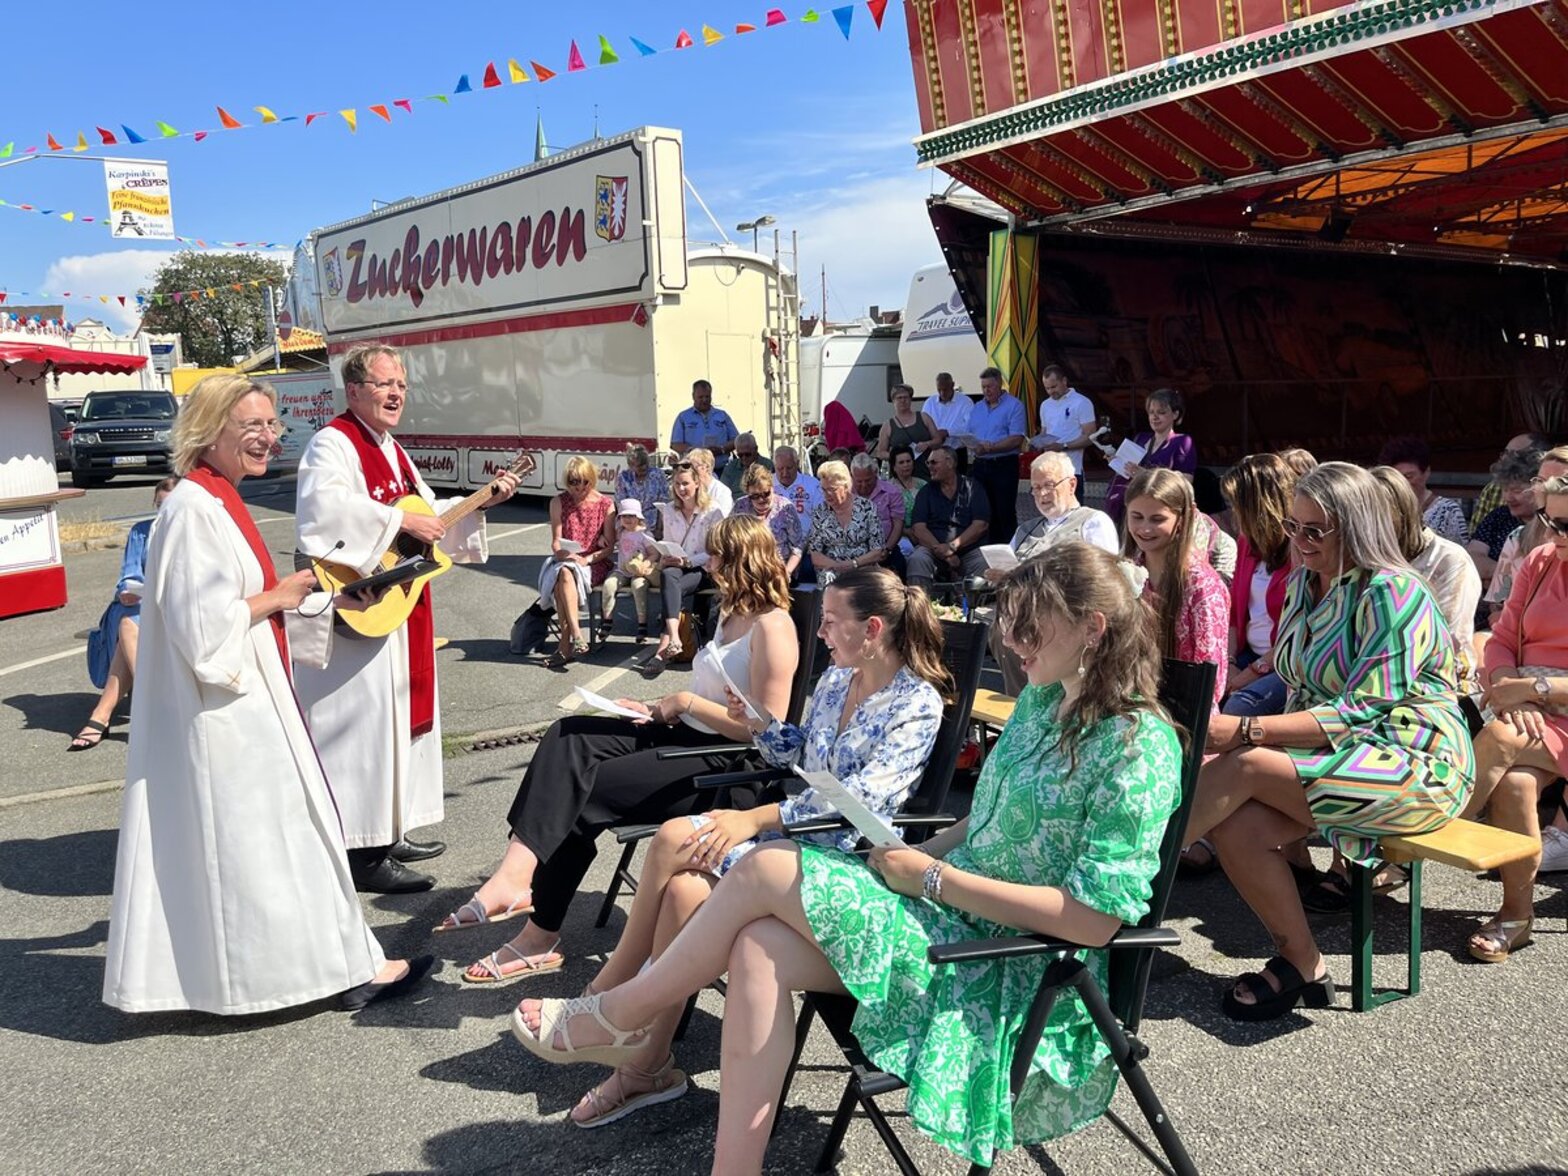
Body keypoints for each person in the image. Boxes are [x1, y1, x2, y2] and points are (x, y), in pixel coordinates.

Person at [511, 542, 1183, 1174]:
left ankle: (615, 1015)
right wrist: (917, 857)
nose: (1011, 643)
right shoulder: (1042, 705)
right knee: (757, 945)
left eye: (1029, 629)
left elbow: (1095, 923)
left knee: (763, 868)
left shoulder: (1138, 749)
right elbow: (985, 821)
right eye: (1011, 625)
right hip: (946, 916)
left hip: (1012, 969)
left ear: (1093, 630)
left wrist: (933, 878)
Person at [557, 568, 951, 1128]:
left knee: (676, 841)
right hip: (795, 841)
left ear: (873, 630)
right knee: (685, 885)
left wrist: (754, 819)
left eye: (832, 622)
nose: (821, 633)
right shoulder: (839, 680)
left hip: (850, 859)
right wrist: (762, 725)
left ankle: (615, 1007)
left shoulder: (917, 703)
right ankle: (640, 1057)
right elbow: (803, 758)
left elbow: (856, 805)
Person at [104, 374, 431, 1016]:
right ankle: (340, 973)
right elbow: (204, 632)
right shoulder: (194, 509)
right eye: (251, 425)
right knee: (273, 847)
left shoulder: (216, 498)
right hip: (228, 713)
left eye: (272, 424)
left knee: (280, 847)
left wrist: (326, 598)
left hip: (246, 701)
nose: (268, 436)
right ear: (209, 431)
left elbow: (240, 606)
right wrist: (281, 596)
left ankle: (344, 969)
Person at [438, 515, 799, 984]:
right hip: (687, 734)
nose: (707, 563)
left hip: (728, 766)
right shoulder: (729, 612)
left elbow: (766, 734)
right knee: (568, 736)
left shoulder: (774, 626)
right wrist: (653, 708)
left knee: (581, 790)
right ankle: (516, 874)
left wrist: (684, 702)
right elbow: (708, 698)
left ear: (742, 559)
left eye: (716, 555)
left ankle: (539, 934)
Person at [1190, 463, 1473, 1021]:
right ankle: (1304, 964)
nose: (1299, 541)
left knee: (1243, 764)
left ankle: (1118, 880)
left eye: (1315, 530)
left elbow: (1360, 708)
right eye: (1293, 527)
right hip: (1337, 757)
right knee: (1236, 827)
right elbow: (1300, 688)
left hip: (1416, 761)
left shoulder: (1395, 593)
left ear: (1358, 526)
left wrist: (1248, 732)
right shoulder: (1301, 582)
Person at [290, 344, 520, 894]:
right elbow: (322, 510)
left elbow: (426, 514)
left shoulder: (392, 448)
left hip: (400, 604)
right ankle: (361, 852)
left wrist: (477, 503)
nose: (396, 394)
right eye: (384, 384)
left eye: (402, 385)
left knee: (395, 722)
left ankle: (388, 830)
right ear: (354, 391)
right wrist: (399, 519)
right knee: (362, 731)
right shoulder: (332, 443)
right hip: (359, 605)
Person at [1463, 474, 1568, 962]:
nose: (1557, 534)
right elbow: (1501, 636)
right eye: (1552, 520)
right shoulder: (1541, 560)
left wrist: (1531, 689)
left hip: (1555, 706)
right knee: (1517, 787)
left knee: (1501, 738)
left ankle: (1421, 840)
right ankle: (1516, 917)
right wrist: (1513, 692)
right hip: (1527, 706)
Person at [983, 451, 1117, 694]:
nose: (1042, 494)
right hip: (1017, 619)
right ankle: (1021, 708)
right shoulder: (1025, 529)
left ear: (1072, 484)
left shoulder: (1093, 522)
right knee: (998, 629)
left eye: (1049, 485)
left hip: (1064, 619)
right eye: (1035, 488)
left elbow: (1102, 581)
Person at [70, 476, 180, 751]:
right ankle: (154, 703)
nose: (162, 513)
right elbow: (128, 577)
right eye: (159, 506)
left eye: (170, 507)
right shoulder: (142, 532)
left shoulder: (191, 535)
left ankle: (103, 715)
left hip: (175, 609)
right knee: (129, 619)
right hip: (138, 606)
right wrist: (126, 591)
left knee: (128, 628)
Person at [1122, 469, 1229, 712]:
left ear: (1182, 519)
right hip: (1132, 702)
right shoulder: (1128, 571)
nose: (1145, 528)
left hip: (1183, 712)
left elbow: (1209, 678)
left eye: (1157, 519)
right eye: (1136, 517)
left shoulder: (1202, 586)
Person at [1369, 465, 1482, 687]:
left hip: (1435, 681)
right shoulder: (1363, 556)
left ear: (1400, 515)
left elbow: (1449, 642)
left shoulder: (1449, 559)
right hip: (1370, 674)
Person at [1220, 453, 1295, 719]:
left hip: (1283, 665)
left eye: (1236, 504)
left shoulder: (1300, 552)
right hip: (1244, 654)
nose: (1232, 512)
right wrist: (1228, 665)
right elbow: (1233, 614)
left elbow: (1297, 636)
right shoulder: (1246, 543)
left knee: (1237, 707)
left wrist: (1249, 674)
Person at [646, 461, 725, 671]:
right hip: (678, 567)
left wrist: (688, 561)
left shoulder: (713, 511)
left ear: (697, 483)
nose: (681, 489)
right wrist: (667, 555)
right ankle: (674, 638)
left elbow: (715, 550)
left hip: (704, 568)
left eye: (686, 484)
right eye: (677, 484)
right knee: (669, 575)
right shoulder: (670, 510)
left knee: (672, 586)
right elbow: (668, 540)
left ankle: (664, 648)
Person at [538, 455, 615, 668]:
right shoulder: (558, 502)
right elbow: (555, 541)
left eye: (584, 481)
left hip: (594, 562)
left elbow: (609, 547)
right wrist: (563, 553)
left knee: (563, 578)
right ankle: (576, 633)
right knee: (564, 573)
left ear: (592, 479)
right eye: (573, 481)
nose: (579, 487)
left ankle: (566, 644)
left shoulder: (606, 505)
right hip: (568, 560)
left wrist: (587, 559)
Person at [1481, 446, 1568, 629]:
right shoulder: (1518, 538)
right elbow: (1497, 608)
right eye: (1540, 481)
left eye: (1557, 483)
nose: (1545, 490)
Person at [1103, 388, 1199, 524]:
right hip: (1126, 505)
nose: (1155, 417)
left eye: (1161, 412)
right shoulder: (1140, 438)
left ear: (1175, 414)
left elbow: (1186, 481)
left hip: (1157, 510)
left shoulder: (1182, 441)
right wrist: (1116, 461)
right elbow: (1127, 470)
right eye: (1151, 412)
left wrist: (1146, 475)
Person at [907, 446, 990, 590]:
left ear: (950, 463)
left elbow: (980, 525)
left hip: (967, 551)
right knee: (917, 559)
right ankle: (920, 607)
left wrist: (952, 547)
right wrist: (944, 553)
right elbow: (918, 529)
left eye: (934, 462)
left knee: (985, 562)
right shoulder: (926, 492)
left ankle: (971, 608)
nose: (929, 467)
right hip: (933, 550)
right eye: (928, 463)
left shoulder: (973, 487)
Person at [967, 367, 1028, 544]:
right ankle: (986, 550)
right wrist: (974, 446)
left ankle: (1010, 549)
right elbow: (970, 435)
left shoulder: (1014, 406)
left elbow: (1016, 439)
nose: (986, 390)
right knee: (982, 511)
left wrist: (991, 447)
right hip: (980, 465)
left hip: (1004, 464)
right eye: (983, 387)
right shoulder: (977, 408)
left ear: (1000, 384)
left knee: (1004, 511)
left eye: (990, 386)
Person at [1468, 446, 1544, 584]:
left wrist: (1493, 577)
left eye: (1516, 490)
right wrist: (1505, 576)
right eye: (1505, 490)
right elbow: (1473, 558)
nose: (1508, 497)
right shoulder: (1499, 516)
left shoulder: (1549, 523)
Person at [806, 460, 885, 586]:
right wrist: (839, 566)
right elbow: (815, 555)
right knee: (830, 582)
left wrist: (853, 564)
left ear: (846, 486)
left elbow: (878, 551)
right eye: (824, 490)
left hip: (862, 568)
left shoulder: (867, 508)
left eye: (832, 489)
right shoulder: (820, 512)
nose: (827, 495)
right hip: (832, 570)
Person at [1378, 435, 1467, 544]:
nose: (1403, 483)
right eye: (1397, 477)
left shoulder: (1447, 511)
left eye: (1409, 476)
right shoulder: (1382, 508)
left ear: (1426, 472)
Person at [601, 499, 661, 645]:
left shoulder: (645, 534)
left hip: (638, 572)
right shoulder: (620, 533)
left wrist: (646, 563)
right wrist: (602, 538)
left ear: (639, 517)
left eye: (631, 516)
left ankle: (642, 624)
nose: (627, 519)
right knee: (609, 585)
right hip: (622, 570)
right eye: (624, 516)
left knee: (638, 587)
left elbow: (655, 553)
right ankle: (607, 619)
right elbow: (609, 539)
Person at [732, 463, 804, 581]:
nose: (761, 499)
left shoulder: (785, 507)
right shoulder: (740, 507)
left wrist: (787, 571)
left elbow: (798, 546)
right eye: (755, 496)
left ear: (772, 487)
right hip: (748, 569)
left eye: (766, 493)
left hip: (779, 569)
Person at [1472, 431, 1553, 522]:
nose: (1508, 497)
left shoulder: (1556, 518)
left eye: (1516, 454)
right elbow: (1475, 532)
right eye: (1506, 453)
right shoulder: (1492, 492)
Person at [849, 452, 906, 576]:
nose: (864, 485)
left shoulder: (891, 492)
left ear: (875, 474)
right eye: (859, 481)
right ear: (852, 476)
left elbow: (898, 524)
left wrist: (887, 549)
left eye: (868, 480)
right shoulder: (846, 493)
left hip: (884, 550)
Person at [1034, 364, 1097, 475]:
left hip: (1072, 470)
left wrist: (1063, 446)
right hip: (1049, 469)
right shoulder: (1045, 405)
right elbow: (1045, 431)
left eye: (1054, 387)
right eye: (1047, 388)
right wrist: (1037, 442)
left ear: (1064, 381)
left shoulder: (1081, 402)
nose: (1050, 392)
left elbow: (1090, 437)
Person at [670, 379, 737, 471]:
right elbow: (675, 444)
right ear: (693, 396)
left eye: (707, 396)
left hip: (721, 469)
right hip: (694, 470)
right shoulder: (683, 417)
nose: (704, 400)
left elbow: (736, 440)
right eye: (700, 397)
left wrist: (722, 449)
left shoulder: (722, 415)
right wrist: (697, 452)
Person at [873, 384, 938, 477]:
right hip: (901, 475)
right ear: (893, 401)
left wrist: (927, 444)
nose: (903, 400)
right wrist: (897, 456)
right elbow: (880, 452)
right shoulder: (888, 425)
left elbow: (938, 440)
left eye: (906, 397)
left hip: (926, 470)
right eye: (899, 398)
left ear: (910, 399)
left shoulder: (924, 417)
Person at [921, 371, 973, 471]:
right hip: (935, 451)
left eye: (945, 389)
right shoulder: (930, 402)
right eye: (939, 389)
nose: (942, 393)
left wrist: (947, 432)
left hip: (956, 452)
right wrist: (934, 435)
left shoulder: (965, 402)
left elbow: (970, 427)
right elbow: (924, 424)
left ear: (953, 385)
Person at [615, 444, 669, 530]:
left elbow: (663, 503)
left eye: (646, 464)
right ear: (631, 465)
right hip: (630, 526)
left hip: (654, 525)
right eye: (640, 466)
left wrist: (660, 527)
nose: (644, 467)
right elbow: (621, 505)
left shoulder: (658, 475)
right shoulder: (623, 478)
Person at [771, 445, 821, 520]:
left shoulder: (812, 485)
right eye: (780, 469)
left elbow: (821, 517)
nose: (785, 473)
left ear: (797, 464)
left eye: (789, 468)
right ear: (774, 466)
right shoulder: (766, 484)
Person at [889, 444, 926, 536]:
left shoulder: (924, 485)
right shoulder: (888, 488)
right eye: (901, 462)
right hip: (899, 535)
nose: (906, 465)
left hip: (925, 532)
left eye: (908, 461)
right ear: (894, 467)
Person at [719, 433, 772, 497]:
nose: (744, 458)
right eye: (740, 455)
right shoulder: (730, 468)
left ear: (756, 449)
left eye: (747, 454)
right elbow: (722, 493)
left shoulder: (768, 466)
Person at [684, 446, 733, 515]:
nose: (689, 471)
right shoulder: (688, 488)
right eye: (688, 467)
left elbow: (724, 518)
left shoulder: (722, 491)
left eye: (693, 467)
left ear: (706, 467)